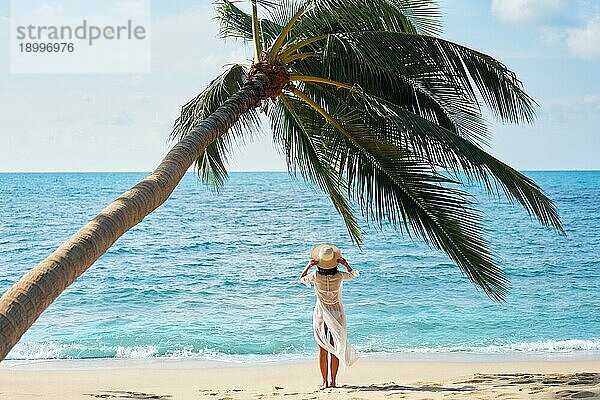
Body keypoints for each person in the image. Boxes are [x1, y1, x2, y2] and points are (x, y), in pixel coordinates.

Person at [299, 243, 359, 389]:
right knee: (335, 346)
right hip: (336, 312)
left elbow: (302, 278)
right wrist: (345, 263)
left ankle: (324, 382)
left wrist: (309, 265)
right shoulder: (339, 275)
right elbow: (352, 275)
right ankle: (333, 382)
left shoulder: (315, 275)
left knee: (323, 348)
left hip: (321, 313)